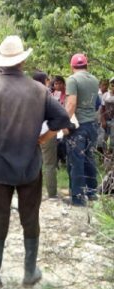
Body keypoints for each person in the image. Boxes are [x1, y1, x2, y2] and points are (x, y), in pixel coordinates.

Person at [0, 36, 71, 287]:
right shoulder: (39, 89)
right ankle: (30, 273)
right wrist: (43, 138)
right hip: (30, 167)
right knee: (30, 218)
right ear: (22, 61)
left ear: (0, 61)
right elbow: (63, 119)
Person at [65, 54, 99, 206]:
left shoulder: (72, 80)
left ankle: (78, 198)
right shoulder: (94, 80)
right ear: (87, 65)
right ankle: (92, 193)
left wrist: (64, 123)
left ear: (72, 67)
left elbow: (71, 104)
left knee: (76, 161)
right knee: (89, 158)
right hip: (92, 125)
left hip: (78, 127)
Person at [33, 71, 59, 198]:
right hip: (47, 131)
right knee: (49, 164)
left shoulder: (27, 92)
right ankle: (52, 193)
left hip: (31, 132)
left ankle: (34, 192)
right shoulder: (47, 92)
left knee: (34, 163)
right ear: (44, 80)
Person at [101, 77, 114, 154]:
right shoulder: (106, 95)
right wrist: (103, 120)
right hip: (106, 119)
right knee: (103, 138)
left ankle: (111, 156)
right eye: (112, 84)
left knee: (113, 139)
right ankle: (103, 155)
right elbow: (102, 109)